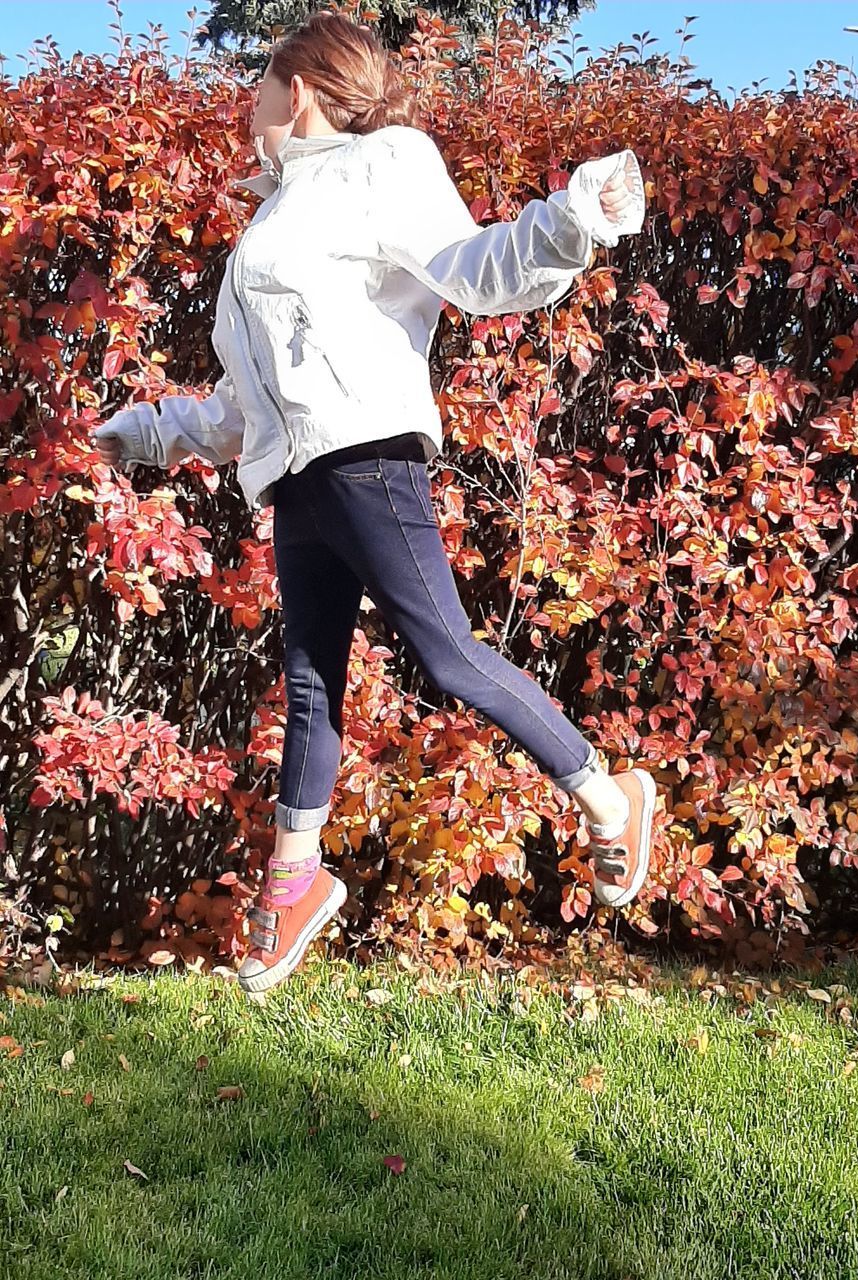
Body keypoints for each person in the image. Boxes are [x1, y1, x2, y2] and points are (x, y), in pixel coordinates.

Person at [93, 12, 656, 995]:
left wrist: (572, 218)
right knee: (311, 684)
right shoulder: (266, 226)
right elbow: (241, 408)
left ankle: (611, 801)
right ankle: (296, 880)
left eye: (260, 86)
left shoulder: (382, 163)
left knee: (445, 653)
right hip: (298, 474)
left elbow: (474, 268)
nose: (250, 104)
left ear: (297, 86)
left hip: (366, 457)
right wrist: (140, 432)